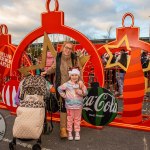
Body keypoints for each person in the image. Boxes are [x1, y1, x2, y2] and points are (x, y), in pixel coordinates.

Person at [41, 41, 83, 138]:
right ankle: (63, 129)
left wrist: (80, 82)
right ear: (63, 48)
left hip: (73, 86)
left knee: (72, 107)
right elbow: (53, 68)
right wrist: (46, 72)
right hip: (61, 86)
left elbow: (79, 70)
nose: (68, 50)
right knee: (63, 107)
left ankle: (72, 127)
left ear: (72, 50)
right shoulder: (58, 57)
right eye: (66, 47)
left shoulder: (74, 58)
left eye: (70, 48)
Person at [57, 67, 88, 140]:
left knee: (77, 119)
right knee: (69, 120)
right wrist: (64, 96)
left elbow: (86, 92)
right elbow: (59, 88)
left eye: (76, 75)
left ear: (78, 76)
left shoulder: (81, 84)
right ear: (70, 76)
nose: (74, 77)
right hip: (69, 106)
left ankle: (77, 132)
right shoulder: (67, 84)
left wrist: (80, 92)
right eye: (72, 75)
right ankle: (70, 132)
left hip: (78, 106)